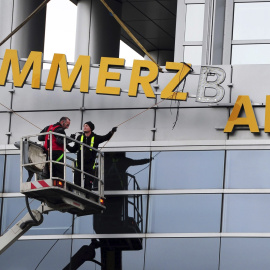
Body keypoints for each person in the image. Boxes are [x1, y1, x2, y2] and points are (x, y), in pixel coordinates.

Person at [68, 121, 117, 190]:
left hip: (90, 165)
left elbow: (105, 137)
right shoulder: (79, 137)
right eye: (84, 125)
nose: (84, 127)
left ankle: (87, 196)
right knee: (77, 183)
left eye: (87, 126)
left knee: (88, 185)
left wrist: (112, 132)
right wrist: (66, 144)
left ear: (91, 128)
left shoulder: (96, 138)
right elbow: (73, 149)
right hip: (79, 164)